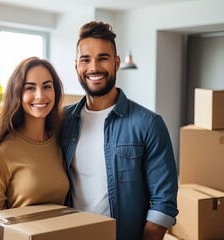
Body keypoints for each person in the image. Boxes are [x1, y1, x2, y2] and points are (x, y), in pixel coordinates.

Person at [60, 21, 179, 240]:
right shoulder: (63, 120)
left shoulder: (149, 124)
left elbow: (164, 203)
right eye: (86, 59)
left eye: (102, 58)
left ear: (116, 63)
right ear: (76, 65)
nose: (94, 67)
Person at [0, 56, 69, 212]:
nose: (40, 95)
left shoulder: (61, 140)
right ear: (17, 94)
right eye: (30, 88)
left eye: (47, 86)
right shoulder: (1, 151)